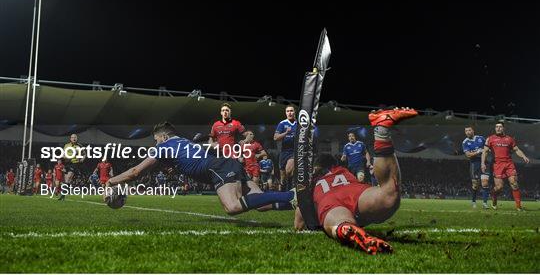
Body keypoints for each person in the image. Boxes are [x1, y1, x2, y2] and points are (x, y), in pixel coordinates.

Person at [294, 107, 418, 254]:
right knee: (389, 196)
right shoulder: (342, 170)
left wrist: (302, 224)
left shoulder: (311, 181)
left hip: (329, 201)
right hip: (355, 191)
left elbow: (300, 217)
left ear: (316, 168)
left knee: (341, 223)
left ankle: (346, 228)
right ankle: (382, 132)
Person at [105, 122, 296, 215]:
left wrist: (111, 181)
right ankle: (303, 205)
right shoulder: (182, 142)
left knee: (232, 207)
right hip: (225, 164)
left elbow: (136, 172)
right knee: (261, 205)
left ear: (162, 137)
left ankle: (291, 196)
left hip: (218, 168)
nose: (155, 144)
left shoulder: (163, 146)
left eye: (155, 140)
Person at [481, 122, 530, 211]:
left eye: (500, 127)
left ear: (503, 128)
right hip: (497, 165)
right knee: (499, 187)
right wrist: (482, 163)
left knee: (514, 183)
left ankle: (518, 206)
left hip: (509, 164)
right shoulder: (490, 139)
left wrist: (524, 156)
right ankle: (493, 195)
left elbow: (517, 150)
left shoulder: (509, 139)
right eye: (496, 127)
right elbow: (485, 151)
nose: (498, 128)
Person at [462, 126, 489, 209]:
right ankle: (473, 201)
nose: (468, 132)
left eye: (469, 130)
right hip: (474, 164)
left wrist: (486, 151)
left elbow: (487, 148)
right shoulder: (465, 142)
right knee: (475, 185)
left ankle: (485, 203)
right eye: (466, 131)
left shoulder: (481, 138)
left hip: (484, 163)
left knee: (485, 183)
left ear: (473, 131)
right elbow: (468, 155)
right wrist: (478, 152)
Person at [274, 105, 297, 190]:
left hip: (294, 152)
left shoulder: (299, 124)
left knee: (289, 170)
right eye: (287, 111)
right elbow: (275, 137)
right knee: (283, 176)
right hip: (284, 152)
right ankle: (283, 188)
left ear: (295, 112)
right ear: (285, 113)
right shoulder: (282, 123)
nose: (289, 113)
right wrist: (286, 133)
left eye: (291, 111)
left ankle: (290, 189)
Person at [59, 134, 86, 200]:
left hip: (74, 163)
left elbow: (84, 154)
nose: (74, 138)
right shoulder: (66, 145)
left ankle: (63, 195)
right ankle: (64, 194)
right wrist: (65, 157)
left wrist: (82, 159)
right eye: (72, 137)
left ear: (77, 138)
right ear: (70, 139)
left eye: (75, 137)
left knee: (68, 178)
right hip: (67, 163)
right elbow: (63, 154)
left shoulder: (79, 146)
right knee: (66, 180)